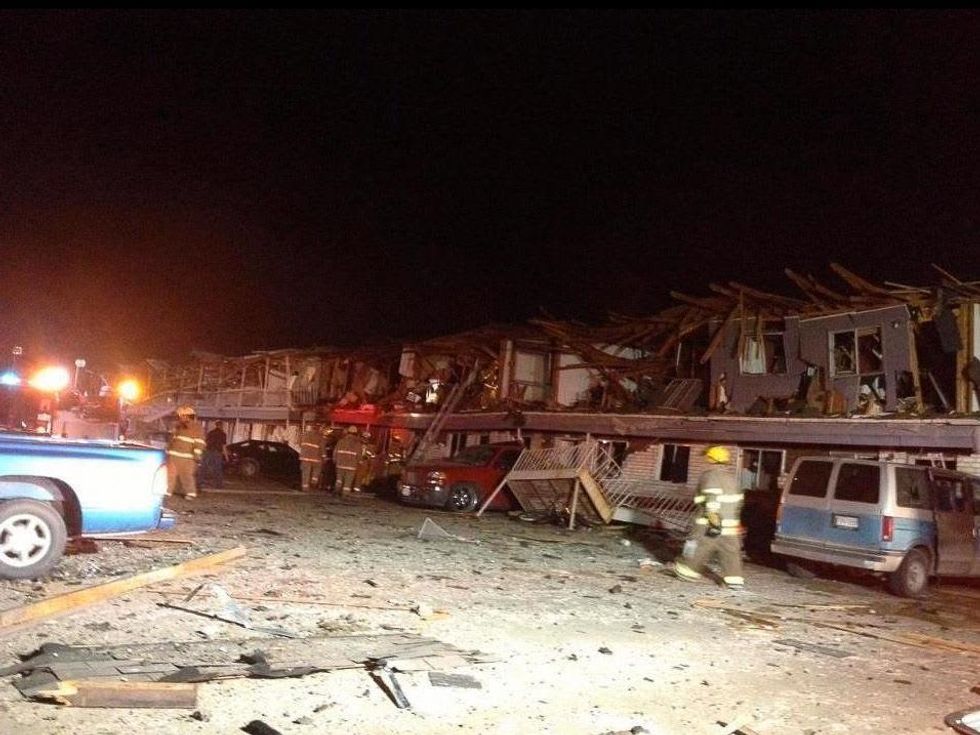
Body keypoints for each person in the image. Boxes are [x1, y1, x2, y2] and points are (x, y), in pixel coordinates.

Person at [673, 445, 745, 590]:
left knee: (697, 545)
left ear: (711, 459)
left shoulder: (710, 475)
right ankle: (734, 580)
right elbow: (738, 503)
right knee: (730, 551)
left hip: (709, 522)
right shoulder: (732, 479)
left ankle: (686, 571)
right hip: (730, 524)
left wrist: (713, 520)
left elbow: (712, 497)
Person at [167, 406, 205, 499]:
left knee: (187, 475)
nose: (180, 418)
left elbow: (199, 442)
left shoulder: (196, 427)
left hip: (188, 457)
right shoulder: (178, 426)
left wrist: (197, 455)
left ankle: (190, 493)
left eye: (181, 416)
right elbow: (172, 440)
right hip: (174, 455)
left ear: (187, 416)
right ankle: (167, 491)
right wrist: (168, 450)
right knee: (170, 474)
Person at [333, 425, 366, 494]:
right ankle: (345, 494)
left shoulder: (341, 441)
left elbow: (335, 452)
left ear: (348, 432)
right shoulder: (358, 444)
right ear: (356, 433)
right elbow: (359, 456)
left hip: (340, 464)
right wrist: (360, 462)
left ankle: (337, 490)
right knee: (348, 481)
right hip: (351, 466)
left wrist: (335, 460)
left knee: (339, 479)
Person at [200, 420, 227, 489]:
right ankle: (218, 484)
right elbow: (223, 446)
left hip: (208, 451)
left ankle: (199, 482)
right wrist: (226, 456)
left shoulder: (210, 433)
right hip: (217, 452)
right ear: (221, 426)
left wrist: (203, 451)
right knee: (217, 468)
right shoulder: (223, 434)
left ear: (216, 425)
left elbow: (205, 442)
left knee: (204, 467)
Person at [299, 422, 327, 491]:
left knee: (306, 472)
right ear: (319, 429)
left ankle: (305, 487)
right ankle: (314, 481)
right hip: (315, 458)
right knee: (317, 468)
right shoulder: (320, 436)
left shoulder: (305, 434)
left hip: (305, 457)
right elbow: (322, 448)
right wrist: (324, 457)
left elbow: (300, 444)